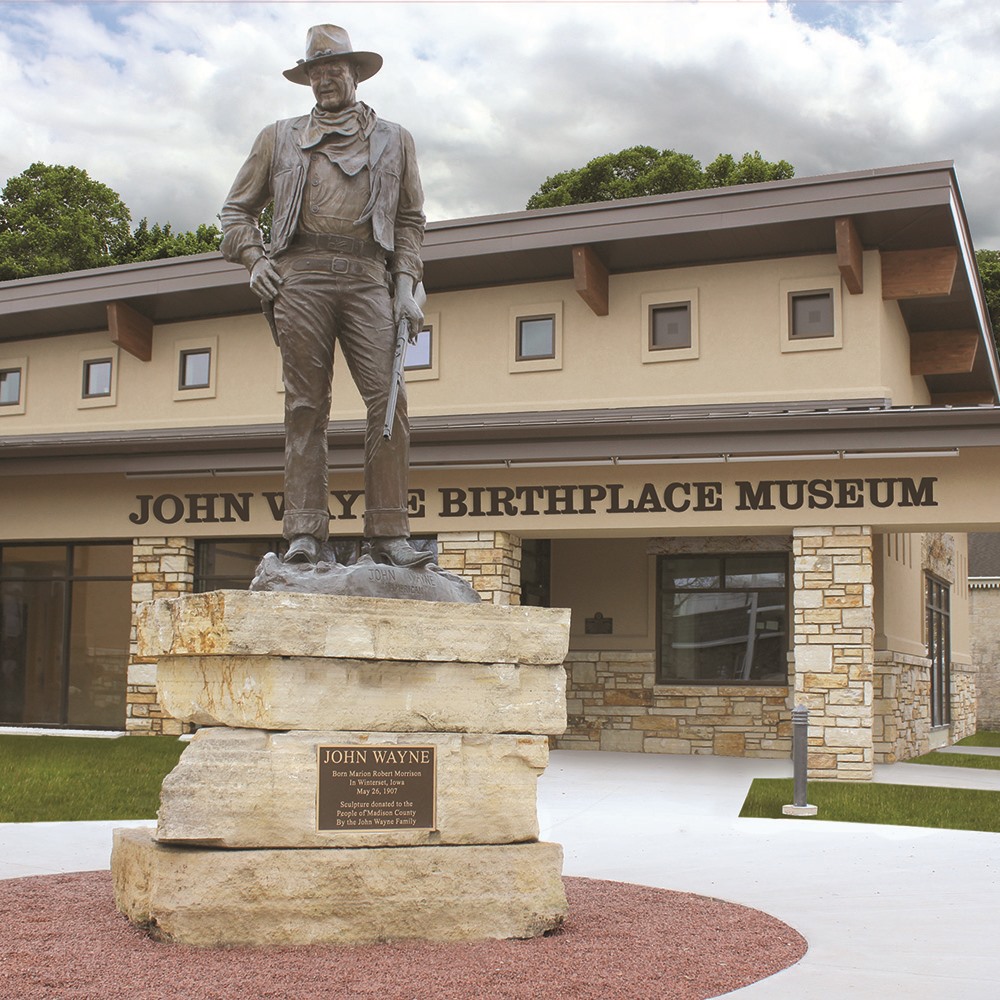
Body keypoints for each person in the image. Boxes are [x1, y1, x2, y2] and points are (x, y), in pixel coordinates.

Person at [220, 24, 431, 568]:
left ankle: (388, 535)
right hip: (301, 277)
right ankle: (305, 534)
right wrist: (255, 259)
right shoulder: (278, 137)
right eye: (314, 71)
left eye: (333, 69)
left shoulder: (396, 139)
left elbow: (410, 221)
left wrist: (406, 285)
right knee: (306, 407)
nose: (323, 80)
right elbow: (235, 213)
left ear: (355, 73)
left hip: (368, 278)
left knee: (389, 402)